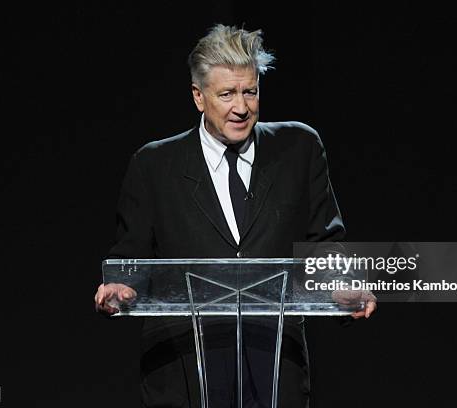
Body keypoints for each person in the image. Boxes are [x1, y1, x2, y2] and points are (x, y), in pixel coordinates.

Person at [94, 24, 376, 407]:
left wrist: (340, 284)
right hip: (186, 374)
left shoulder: (299, 148)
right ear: (198, 96)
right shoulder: (153, 165)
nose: (241, 108)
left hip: (274, 369)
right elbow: (131, 257)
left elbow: (324, 245)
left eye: (250, 92)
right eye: (226, 94)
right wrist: (120, 288)